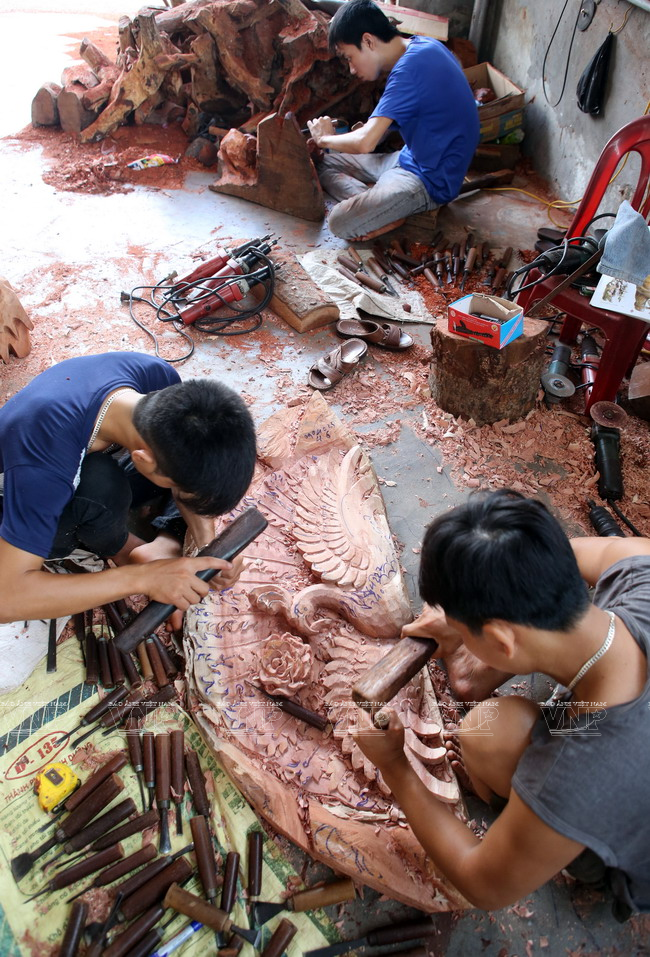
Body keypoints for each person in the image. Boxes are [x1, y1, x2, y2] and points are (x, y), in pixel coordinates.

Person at [353, 489, 650, 916]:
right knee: (499, 725)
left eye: (465, 632)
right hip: (626, 720)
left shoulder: (578, 771)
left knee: (484, 734)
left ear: (498, 640)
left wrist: (394, 766)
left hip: (633, 849)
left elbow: (484, 885)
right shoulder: (639, 572)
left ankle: (584, 862)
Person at [0, 351, 257, 629]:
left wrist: (207, 544)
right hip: (16, 492)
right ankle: (122, 549)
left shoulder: (158, 378)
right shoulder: (44, 468)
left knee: (182, 466)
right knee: (101, 486)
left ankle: (165, 542)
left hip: (81, 448)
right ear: (141, 459)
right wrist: (145, 578)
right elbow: (7, 599)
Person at [307, 0, 480, 241]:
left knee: (339, 222)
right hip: (410, 158)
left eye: (349, 57)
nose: (352, 69)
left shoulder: (408, 71)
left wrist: (323, 137)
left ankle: (386, 210)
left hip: (429, 181)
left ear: (368, 41)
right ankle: (381, 205)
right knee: (325, 163)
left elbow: (366, 143)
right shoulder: (423, 46)